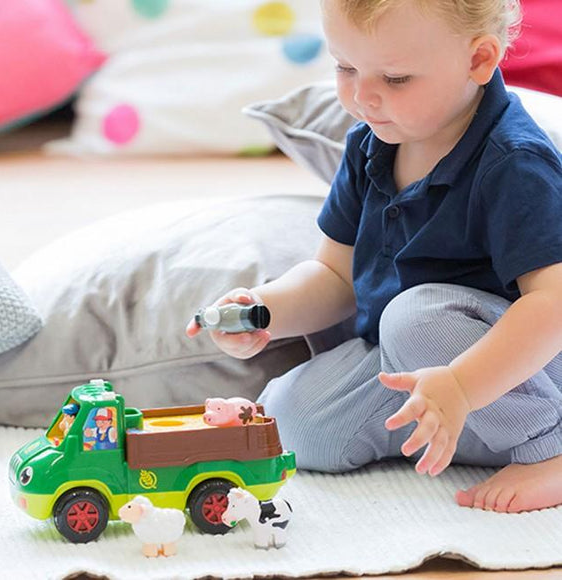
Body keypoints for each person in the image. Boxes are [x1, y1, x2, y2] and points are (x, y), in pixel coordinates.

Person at [187, 0, 562, 513]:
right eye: (345, 68)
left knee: (414, 319)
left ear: (478, 60)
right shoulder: (370, 145)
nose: (362, 96)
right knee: (291, 424)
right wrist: (265, 309)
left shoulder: (515, 162)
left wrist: (460, 384)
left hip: (526, 366)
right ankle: (464, 432)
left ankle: (550, 447)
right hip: (414, 359)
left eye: (397, 78)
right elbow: (334, 276)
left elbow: (552, 306)